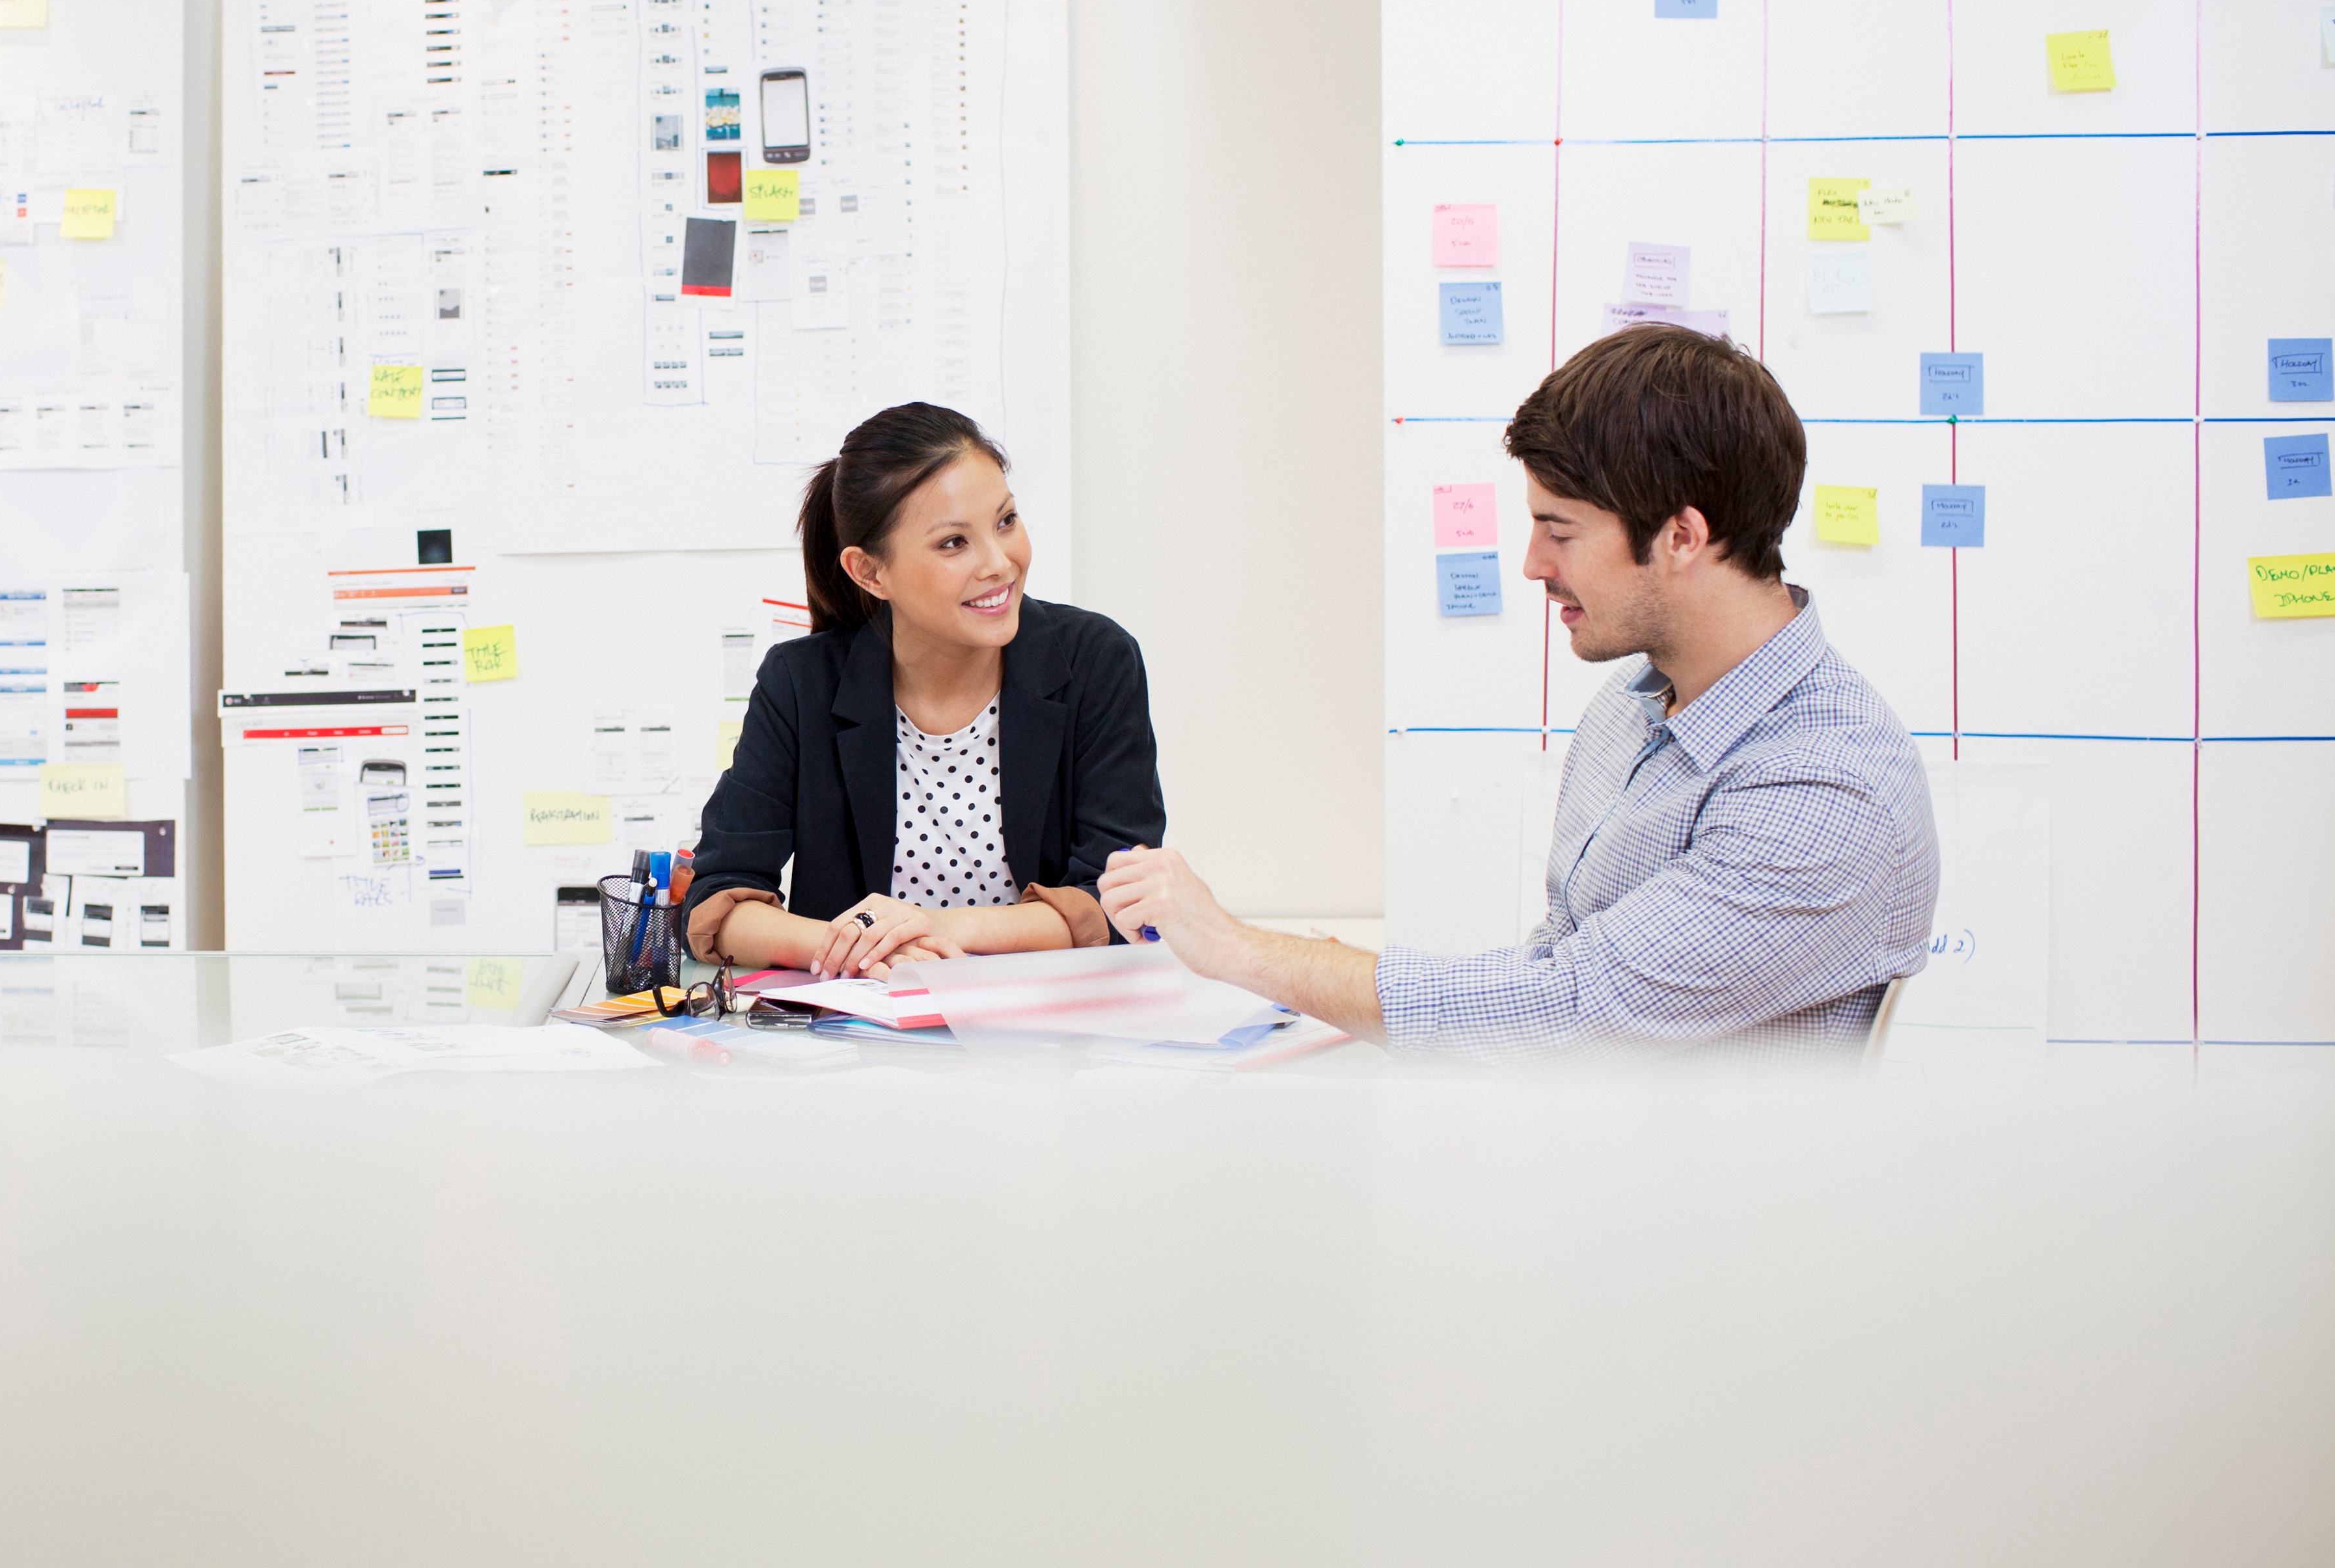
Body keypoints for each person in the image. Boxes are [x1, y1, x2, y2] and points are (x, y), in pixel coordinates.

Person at [1103, 323, 1938, 1055]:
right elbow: (1553, 974)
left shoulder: (1825, 785)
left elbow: (1564, 1015)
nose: (1533, 565)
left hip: (1704, 1223)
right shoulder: (1632, 709)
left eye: (1560, 531)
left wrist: (1243, 952)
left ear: (1682, 535)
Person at [686, 401, 1167, 980]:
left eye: (1006, 521)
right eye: (952, 544)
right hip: (860, 1038)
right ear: (869, 572)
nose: (999, 562)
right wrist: (862, 947)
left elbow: (1120, 897)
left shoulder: (1096, 661)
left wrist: (934, 926)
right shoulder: (800, 683)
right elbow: (720, 903)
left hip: (1042, 1038)